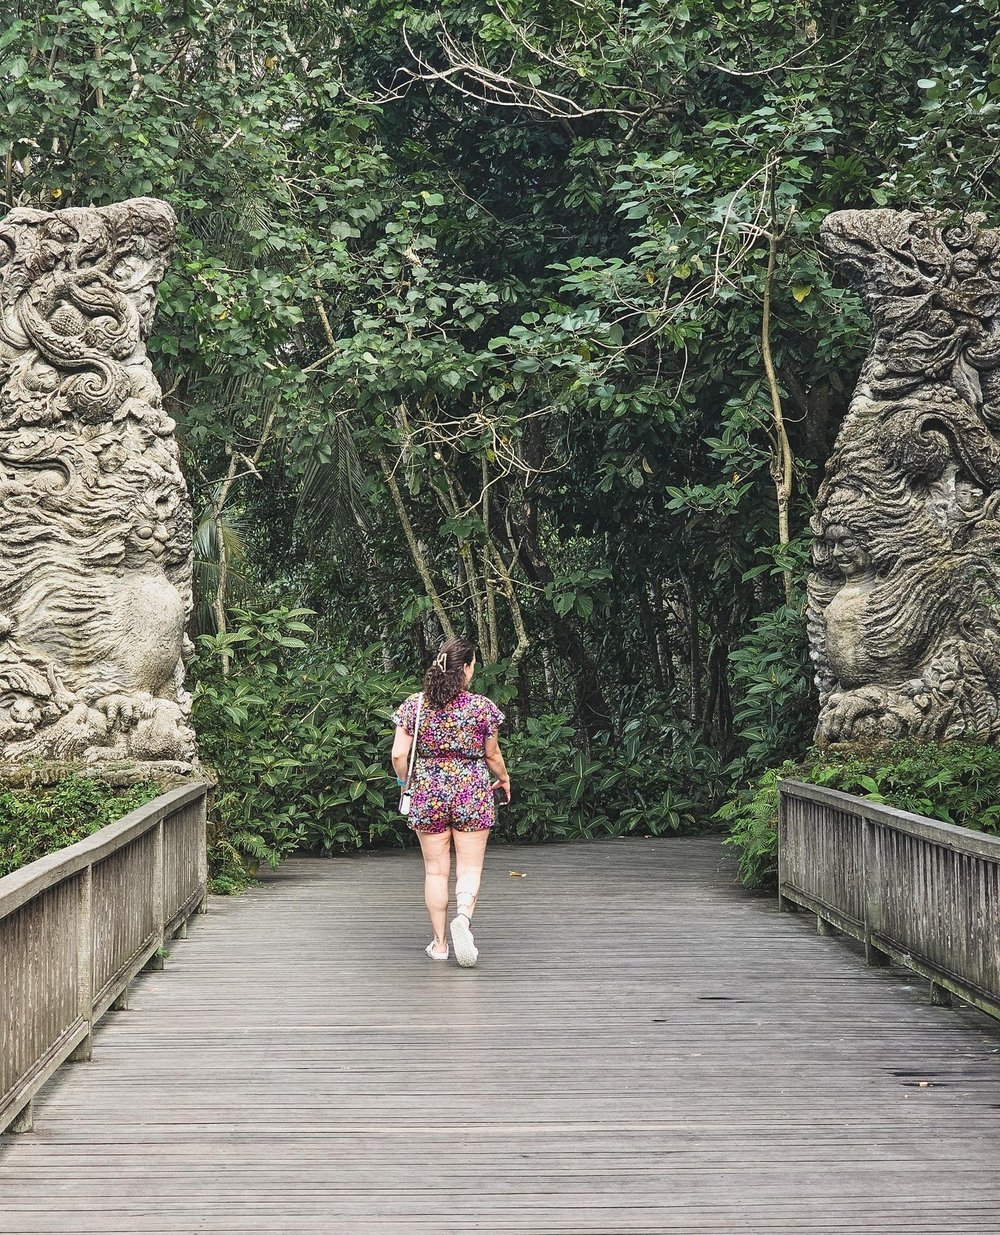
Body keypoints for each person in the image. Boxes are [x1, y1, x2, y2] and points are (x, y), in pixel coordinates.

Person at [391, 636, 511, 968]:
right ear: (468, 667)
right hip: (471, 790)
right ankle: (462, 919)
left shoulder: (414, 706)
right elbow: (492, 754)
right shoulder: (482, 707)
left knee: (435, 870)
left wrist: (405, 783)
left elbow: (399, 754)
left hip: (428, 792)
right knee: (470, 868)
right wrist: (503, 779)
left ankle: (440, 943)